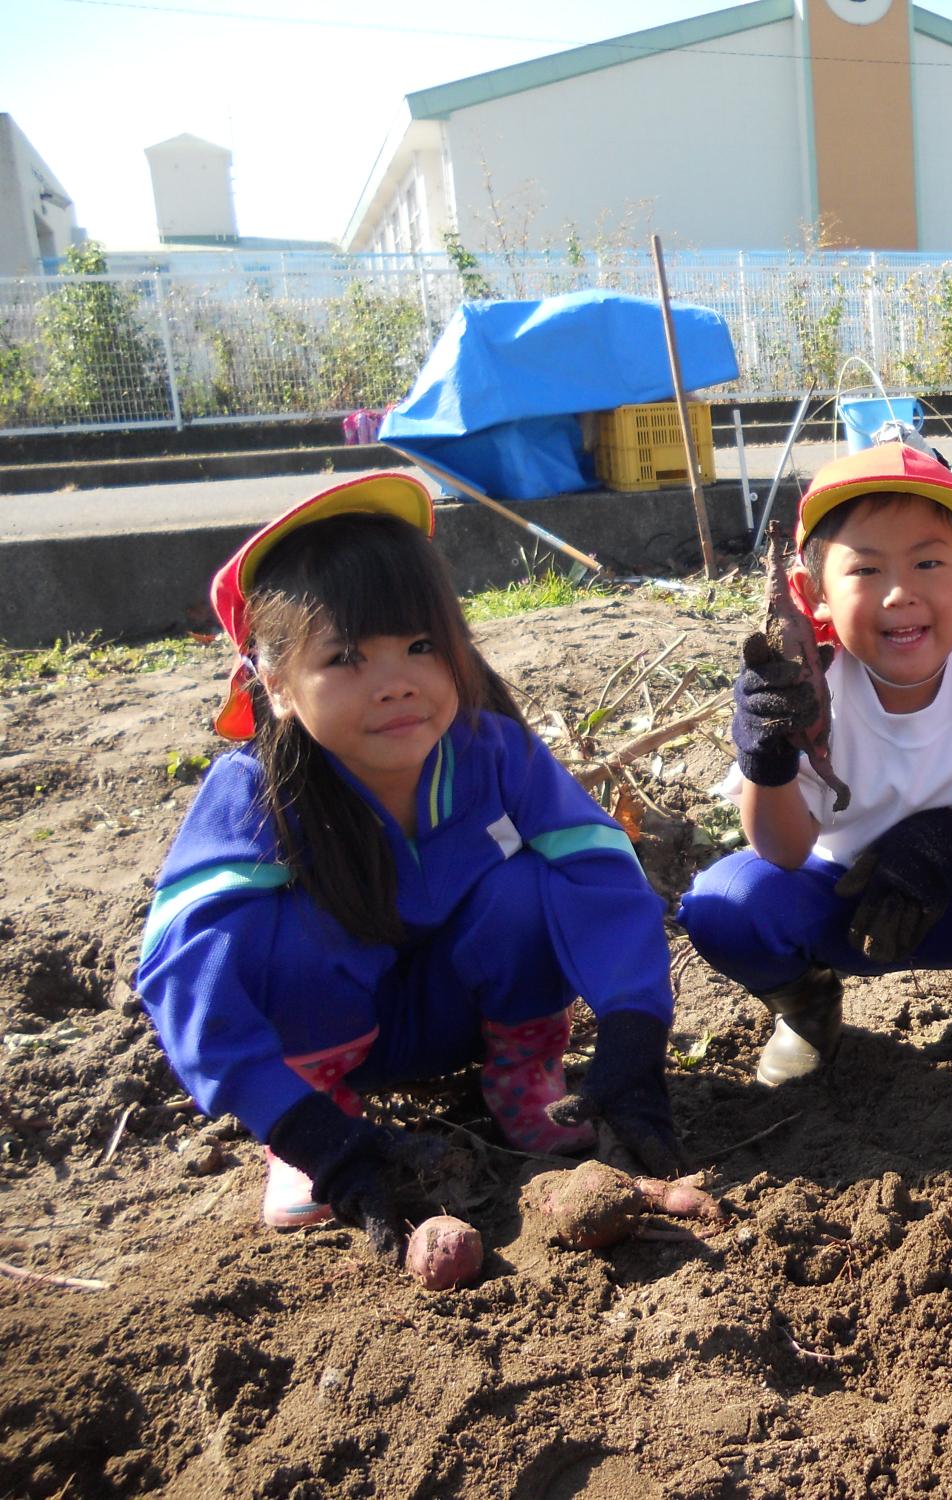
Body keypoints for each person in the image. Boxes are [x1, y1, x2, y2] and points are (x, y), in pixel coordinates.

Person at [134, 474, 682, 1256]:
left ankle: (524, 1077)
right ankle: (316, 1124)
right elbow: (185, 973)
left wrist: (632, 1037)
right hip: (324, 1045)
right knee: (274, 926)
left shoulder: (495, 755)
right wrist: (302, 1128)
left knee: (531, 884)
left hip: (459, 1013)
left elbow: (602, 878)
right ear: (277, 683)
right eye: (347, 657)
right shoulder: (255, 794)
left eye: (421, 646)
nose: (395, 683)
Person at [677, 442, 952, 1085]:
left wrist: (942, 837)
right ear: (813, 592)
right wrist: (766, 759)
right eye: (865, 570)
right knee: (726, 902)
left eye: (928, 562)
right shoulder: (804, 692)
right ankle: (807, 1007)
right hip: (841, 912)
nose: (899, 594)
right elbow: (780, 851)